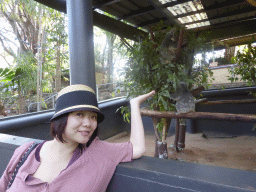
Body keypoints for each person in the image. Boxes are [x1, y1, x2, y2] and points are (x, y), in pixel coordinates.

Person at [0, 84, 155, 192]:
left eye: (93, 117)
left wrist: (134, 105)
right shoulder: (25, 152)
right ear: (61, 118)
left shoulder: (100, 152)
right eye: (79, 114)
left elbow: (138, 148)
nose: (88, 123)